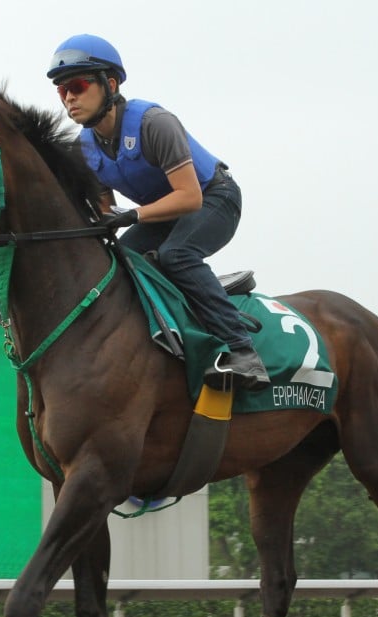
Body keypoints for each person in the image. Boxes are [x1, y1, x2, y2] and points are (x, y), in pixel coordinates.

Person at [47, 34, 270, 392]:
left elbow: (189, 198)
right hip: (162, 214)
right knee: (120, 262)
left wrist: (133, 216)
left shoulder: (154, 123)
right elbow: (105, 211)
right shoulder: (84, 148)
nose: (69, 97)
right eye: (61, 90)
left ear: (111, 84)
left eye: (77, 84)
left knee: (176, 254)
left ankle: (244, 352)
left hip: (214, 197)